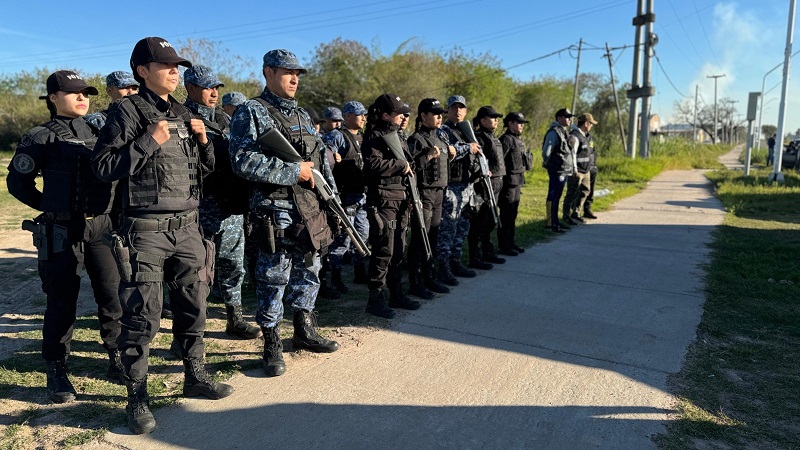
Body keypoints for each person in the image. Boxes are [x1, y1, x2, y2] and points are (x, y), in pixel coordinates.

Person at [92, 37, 233, 435]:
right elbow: (103, 167)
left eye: (177, 66)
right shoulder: (127, 111)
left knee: (194, 304)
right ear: (142, 71)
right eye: (166, 65)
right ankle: (137, 396)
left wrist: (203, 142)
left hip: (188, 227)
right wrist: (147, 141)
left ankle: (195, 375)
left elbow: (203, 170)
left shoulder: (184, 111)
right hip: (145, 230)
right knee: (142, 315)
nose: (174, 71)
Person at [7, 70, 123, 403]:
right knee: (61, 303)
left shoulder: (100, 131)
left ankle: (116, 356)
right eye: (74, 93)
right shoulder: (39, 137)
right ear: (54, 98)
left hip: (101, 228)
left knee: (111, 296)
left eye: (86, 93)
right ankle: (57, 369)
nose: (82, 98)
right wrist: (50, 206)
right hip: (61, 230)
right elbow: (17, 183)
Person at [228, 49, 340, 379]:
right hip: (275, 211)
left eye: (297, 74)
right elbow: (242, 161)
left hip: (310, 208)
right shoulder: (252, 111)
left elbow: (318, 164)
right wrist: (294, 172)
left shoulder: (303, 115)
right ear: (268, 72)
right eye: (287, 72)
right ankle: (272, 342)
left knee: (310, 269)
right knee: (273, 277)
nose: (294, 79)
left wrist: (331, 199)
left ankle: (304, 329)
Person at [183, 65, 260, 339]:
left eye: (216, 87)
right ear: (191, 88)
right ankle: (193, 328)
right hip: (200, 206)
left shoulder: (225, 120)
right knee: (197, 270)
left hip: (230, 207)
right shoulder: (180, 118)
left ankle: (234, 318)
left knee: (233, 264)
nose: (214, 93)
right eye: (208, 87)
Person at [361, 93, 421, 318]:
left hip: (401, 198)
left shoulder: (397, 136)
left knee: (398, 249)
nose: (403, 117)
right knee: (383, 249)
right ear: (386, 115)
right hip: (384, 200)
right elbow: (372, 164)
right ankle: (375, 299)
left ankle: (396, 293)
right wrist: (400, 165)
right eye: (398, 113)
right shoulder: (375, 135)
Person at [406, 98, 454, 300]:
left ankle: (429, 277)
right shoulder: (416, 139)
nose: (439, 117)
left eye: (441, 114)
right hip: (423, 195)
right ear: (423, 116)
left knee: (433, 237)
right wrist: (428, 156)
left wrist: (449, 155)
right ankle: (415, 282)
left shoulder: (440, 138)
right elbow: (410, 168)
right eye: (435, 114)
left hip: (439, 194)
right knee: (420, 239)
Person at [438, 96, 489, 276]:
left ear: (466, 111)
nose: (457, 111)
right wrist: (468, 148)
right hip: (452, 186)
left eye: (461, 108)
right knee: (448, 228)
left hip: (467, 184)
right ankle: (443, 266)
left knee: (462, 227)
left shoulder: (467, 130)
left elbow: (475, 154)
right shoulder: (442, 130)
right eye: (454, 108)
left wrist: (482, 169)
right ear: (447, 110)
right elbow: (447, 153)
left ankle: (456, 262)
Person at [323, 101, 370, 293]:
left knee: (363, 235)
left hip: (361, 196)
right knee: (342, 240)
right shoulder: (337, 136)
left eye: (364, 114)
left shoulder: (363, 137)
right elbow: (324, 159)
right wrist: (335, 158)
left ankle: (360, 272)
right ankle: (335, 278)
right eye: (360, 114)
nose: (364, 118)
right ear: (348, 116)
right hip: (344, 197)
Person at [470, 106, 508, 260]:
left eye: (497, 118)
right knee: (480, 220)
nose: (496, 121)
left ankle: (487, 251)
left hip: (497, 182)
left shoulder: (493, 137)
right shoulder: (480, 137)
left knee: (491, 220)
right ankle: (476, 255)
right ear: (483, 120)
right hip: (486, 184)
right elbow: (477, 161)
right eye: (493, 118)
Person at [498, 112, 531, 254]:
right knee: (506, 215)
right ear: (510, 123)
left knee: (513, 215)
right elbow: (499, 161)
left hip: (517, 182)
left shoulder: (517, 140)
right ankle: (504, 246)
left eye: (523, 123)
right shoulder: (506, 140)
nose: (522, 126)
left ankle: (510, 243)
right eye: (519, 123)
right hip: (508, 184)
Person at [542, 108, 576, 233]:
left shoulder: (564, 131)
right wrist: (547, 163)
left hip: (563, 169)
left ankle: (555, 221)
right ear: (559, 118)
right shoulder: (554, 132)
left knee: (557, 196)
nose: (569, 119)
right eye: (567, 117)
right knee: (553, 195)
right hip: (557, 169)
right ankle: (551, 223)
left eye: (570, 117)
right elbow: (546, 152)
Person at [562, 113, 597, 225]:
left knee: (585, 191)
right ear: (586, 123)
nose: (591, 126)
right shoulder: (575, 136)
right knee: (572, 193)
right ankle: (566, 216)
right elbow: (572, 154)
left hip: (585, 170)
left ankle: (576, 213)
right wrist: (574, 169)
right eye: (591, 123)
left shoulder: (585, 135)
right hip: (577, 171)